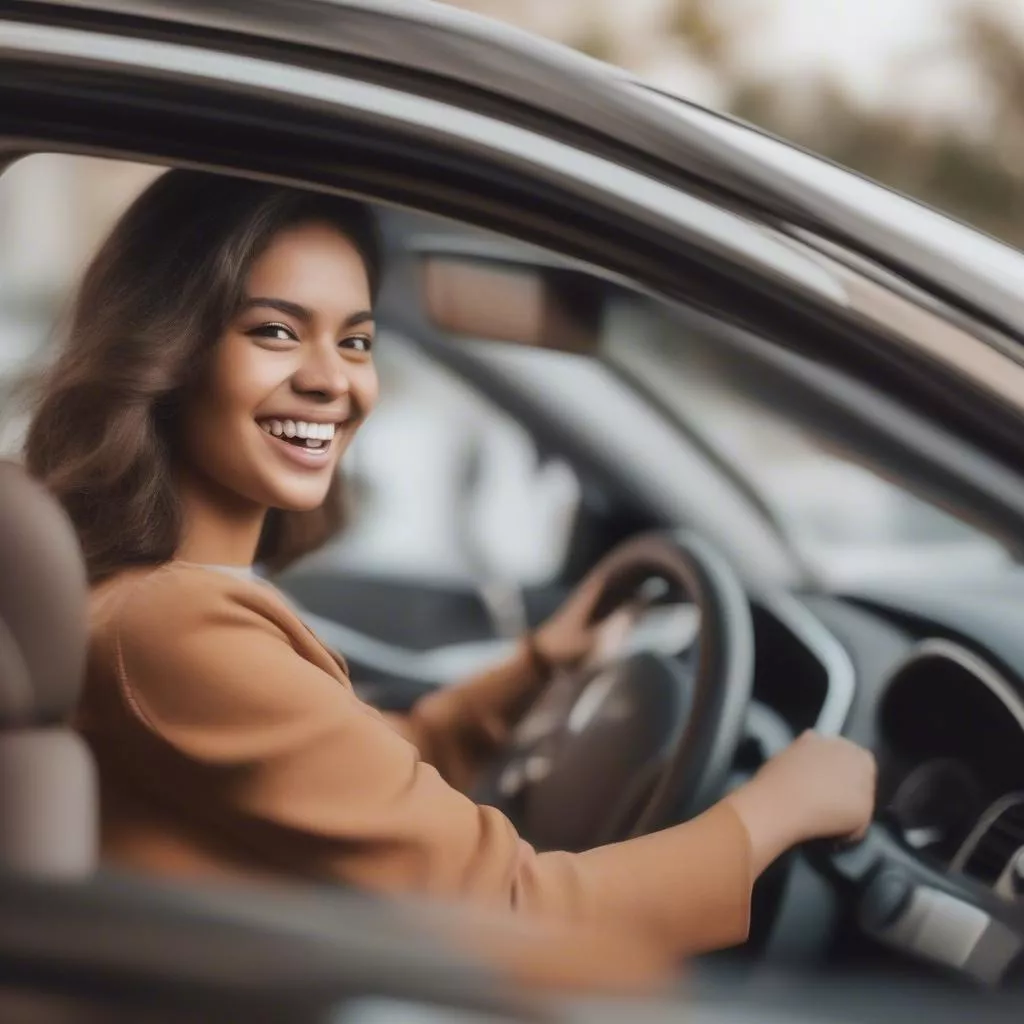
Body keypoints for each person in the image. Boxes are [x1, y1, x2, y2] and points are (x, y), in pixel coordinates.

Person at [24, 170, 875, 963]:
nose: (333, 381)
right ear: (167, 352)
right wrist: (778, 810)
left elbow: (363, 766)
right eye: (276, 331)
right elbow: (509, 912)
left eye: (356, 341)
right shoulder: (168, 625)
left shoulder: (154, 603)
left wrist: (541, 665)